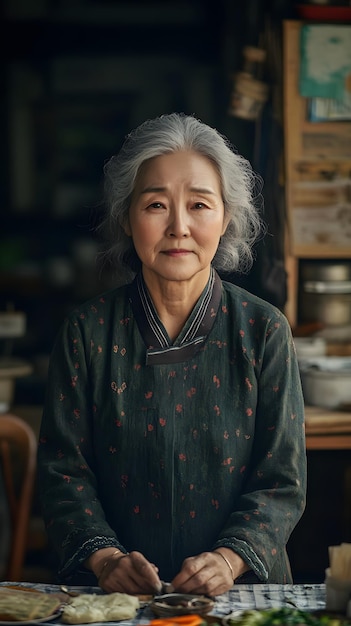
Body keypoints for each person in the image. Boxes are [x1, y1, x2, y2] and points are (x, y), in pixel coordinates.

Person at [37, 112, 307, 597]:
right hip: (114, 597)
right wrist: (105, 561)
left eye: (200, 204)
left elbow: (281, 481)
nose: (179, 226)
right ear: (126, 216)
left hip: (238, 595)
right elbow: (63, 472)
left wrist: (227, 561)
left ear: (226, 217)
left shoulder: (264, 330)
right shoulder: (87, 332)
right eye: (156, 204)